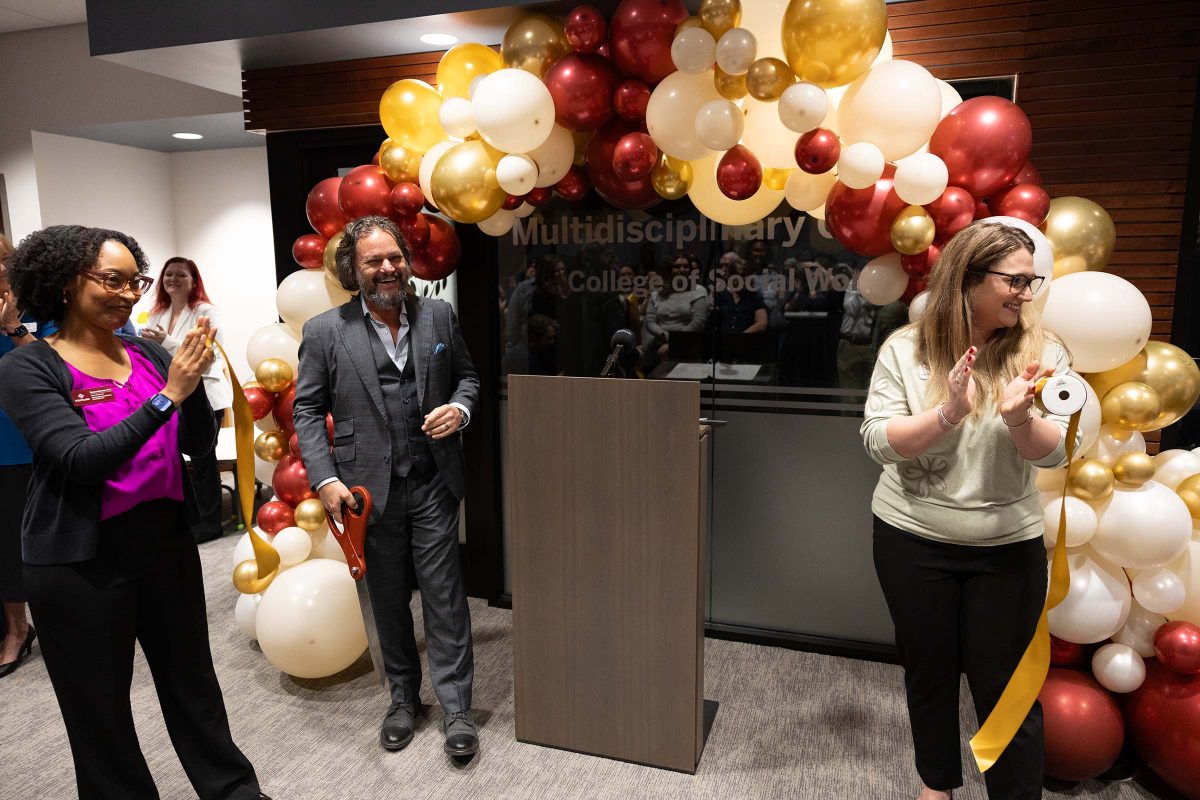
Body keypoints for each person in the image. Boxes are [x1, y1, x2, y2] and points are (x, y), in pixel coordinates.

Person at [0, 225, 267, 800]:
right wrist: (168, 393)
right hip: (79, 560)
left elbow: (189, 440)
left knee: (193, 684)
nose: (127, 293)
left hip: (163, 544)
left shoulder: (146, 351)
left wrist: (193, 390)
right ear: (66, 283)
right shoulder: (28, 369)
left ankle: (234, 791)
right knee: (99, 710)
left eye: (134, 280)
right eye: (112, 280)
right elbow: (80, 459)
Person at [860, 222, 1074, 800]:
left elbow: (1057, 451)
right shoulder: (906, 349)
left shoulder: (1043, 351)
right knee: (927, 674)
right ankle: (937, 785)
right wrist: (948, 413)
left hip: (1006, 548)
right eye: (1015, 280)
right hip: (911, 539)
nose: (1025, 293)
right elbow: (879, 441)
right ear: (968, 278)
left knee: (1005, 690)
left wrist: (1018, 417)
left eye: (1032, 281)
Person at [293, 215, 480, 759]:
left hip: (433, 482)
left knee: (445, 599)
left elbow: (467, 377)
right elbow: (307, 408)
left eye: (394, 257)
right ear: (355, 268)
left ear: (408, 260)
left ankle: (457, 708)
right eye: (374, 260)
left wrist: (460, 408)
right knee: (388, 599)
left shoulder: (439, 317)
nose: (387, 268)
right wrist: (324, 478)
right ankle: (402, 699)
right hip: (363, 492)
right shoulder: (326, 331)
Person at [141, 257, 233, 542]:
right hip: (172, 394)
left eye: (181, 275)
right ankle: (190, 519)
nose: (173, 279)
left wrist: (166, 343)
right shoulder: (157, 313)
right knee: (179, 462)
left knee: (204, 462)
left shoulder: (206, 312)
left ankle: (211, 524)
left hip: (205, 395)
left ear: (194, 281)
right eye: (168, 274)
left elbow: (209, 356)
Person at [0, 234, 54, 678]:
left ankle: (35, 628)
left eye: (0, 261)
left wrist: (14, 329)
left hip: (23, 443)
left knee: (27, 542)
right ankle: (14, 628)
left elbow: (58, 368)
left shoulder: (37, 307)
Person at [641, 252, 710, 371]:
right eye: (677, 266)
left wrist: (674, 343)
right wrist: (663, 334)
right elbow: (650, 320)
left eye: (686, 266)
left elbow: (698, 323)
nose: (682, 270)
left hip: (687, 347)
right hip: (659, 346)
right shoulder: (658, 293)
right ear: (669, 269)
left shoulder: (699, 291)